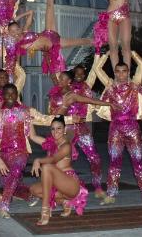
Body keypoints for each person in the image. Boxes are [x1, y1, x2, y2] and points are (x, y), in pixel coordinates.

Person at [0, 84, 77, 218]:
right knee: (10, 184)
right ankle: (27, 195)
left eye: (13, 93)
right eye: (7, 93)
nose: (10, 96)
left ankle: (4, 206)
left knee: (16, 172)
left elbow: (46, 119)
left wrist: (69, 119)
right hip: (2, 154)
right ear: (3, 95)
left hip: (21, 153)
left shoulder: (26, 111)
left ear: (17, 95)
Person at [94, 51, 142, 206]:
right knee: (114, 162)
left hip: (133, 129)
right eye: (118, 71)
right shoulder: (110, 87)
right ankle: (111, 194)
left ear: (128, 72)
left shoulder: (134, 86)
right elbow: (97, 69)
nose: (121, 74)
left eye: (124, 71)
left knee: (139, 162)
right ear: (115, 73)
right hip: (115, 129)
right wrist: (106, 55)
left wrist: (132, 53)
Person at [11, 0, 93, 74]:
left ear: (20, 29)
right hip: (54, 46)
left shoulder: (25, 30)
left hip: (49, 33)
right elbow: (16, 64)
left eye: (16, 29)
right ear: (10, 34)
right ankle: (99, 43)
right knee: (81, 41)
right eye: (13, 32)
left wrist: (16, 18)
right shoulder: (18, 46)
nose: (16, 33)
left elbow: (30, 12)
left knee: (50, 5)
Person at [48, 67, 110, 197]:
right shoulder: (58, 92)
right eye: (76, 73)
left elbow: (91, 99)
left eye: (81, 74)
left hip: (81, 128)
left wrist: (109, 104)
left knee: (95, 158)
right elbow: (54, 74)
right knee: (59, 159)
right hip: (65, 130)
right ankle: (58, 189)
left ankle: (98, 187)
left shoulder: (83, 88)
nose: (79, 76)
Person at [28, 116, 89, 225]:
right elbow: (32, 136)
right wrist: (28, 118)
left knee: (47, 167)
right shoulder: (50, 143)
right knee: (34, 189)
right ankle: (64, 202)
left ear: (64, 130)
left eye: (59, 128)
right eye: (53, 129)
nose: (55, 131)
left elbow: (53, 159)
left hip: (70, 184)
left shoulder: (66, 145)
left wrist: (38, 160)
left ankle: (45, 210)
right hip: (57, 185)